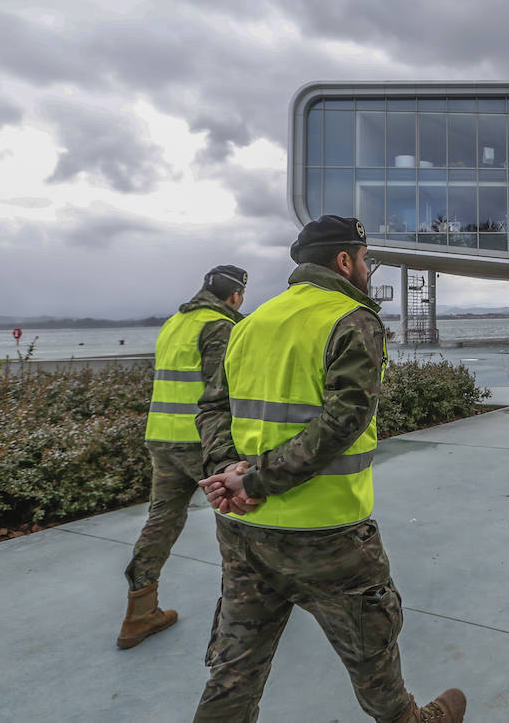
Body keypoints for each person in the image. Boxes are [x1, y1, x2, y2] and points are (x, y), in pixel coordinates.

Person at [192, 215, 465, 723]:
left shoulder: (250, 324)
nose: (366, 268)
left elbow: (212, 407)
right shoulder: (351, 320)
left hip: (244, 530)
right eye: (365, 259)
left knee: (235, 667)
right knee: (371, 655)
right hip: (327, 534)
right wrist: (252, 480)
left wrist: (231, 472)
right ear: (344, 260)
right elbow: (343, 421)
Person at [117, 265, 248, 650]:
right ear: (236, 296)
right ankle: (244, 615)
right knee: (237, 522)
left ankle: (139, 612)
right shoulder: (219, 327)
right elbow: (221, 392)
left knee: (161, 521)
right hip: (201, 442)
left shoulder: (174, 322)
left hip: (161, 439)